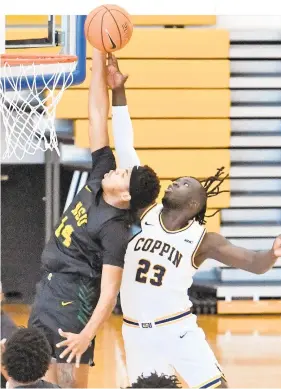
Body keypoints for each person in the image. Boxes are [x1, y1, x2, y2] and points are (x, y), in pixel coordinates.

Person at [106, 54, 281, 389]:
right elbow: (125, 148)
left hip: (177, 328)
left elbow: (253, 263)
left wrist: (273, 254)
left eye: (183, 183)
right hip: (136, 331)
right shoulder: (145, 212)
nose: (174, 182)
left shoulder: (203, 240)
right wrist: (118, 94)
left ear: (194, 204)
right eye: (176, 180)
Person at [27, 50, 160, 388]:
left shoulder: (115, 231)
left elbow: (109, 292)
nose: (117, 170)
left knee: (68, 381)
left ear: (126, 196)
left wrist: (87, 335)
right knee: (41, 379)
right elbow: (97, 115)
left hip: (74, 297)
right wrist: (98, 60)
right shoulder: (101, 175)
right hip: (49, 285)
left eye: (123, 174)